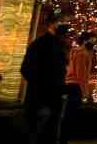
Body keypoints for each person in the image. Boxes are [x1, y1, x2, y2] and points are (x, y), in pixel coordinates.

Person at [21, 15, 71, 144]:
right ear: (51, 24)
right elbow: (26, 69)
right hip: (40, 100)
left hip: (54, 99)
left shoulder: (59, 45)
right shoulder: (39, 45)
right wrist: (44, 89)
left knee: (49, 134)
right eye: (62, 23)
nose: (66, 25)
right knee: (37, 134)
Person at [62, 32, 95, 144]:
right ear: (86, 40)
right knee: (70, 114)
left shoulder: (78, 52)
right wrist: (85, 90)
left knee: (68, 113)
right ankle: (63, 138)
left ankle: (63, 138)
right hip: (76, 86)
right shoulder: (82, 53)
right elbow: (80, 74)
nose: (94, 42)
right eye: (92, 40)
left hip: (72, 85)